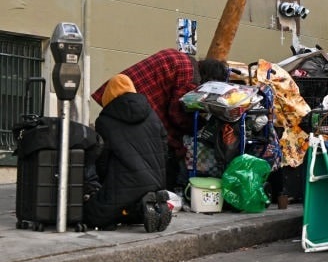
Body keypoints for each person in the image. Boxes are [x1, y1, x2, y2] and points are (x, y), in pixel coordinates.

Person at [91, 49, 229, 190]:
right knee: (164, 149)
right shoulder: (190, 76)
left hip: (119, 94)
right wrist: (200, 125)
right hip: (131, 104)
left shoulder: (182, 59)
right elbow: (176, 114)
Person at [85, 74, 172, 232]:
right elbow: (164, 147)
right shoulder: (151, 114)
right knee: (131, 210)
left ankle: (123, 214)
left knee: (92, 214)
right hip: (156, 181)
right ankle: (149, 206)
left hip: (124, 182)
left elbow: (103, 158)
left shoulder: (105, 120)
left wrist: (102, 183)